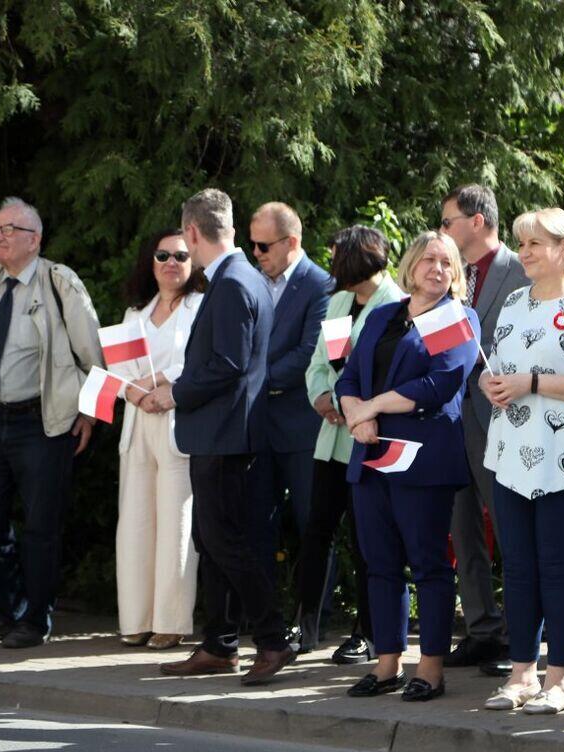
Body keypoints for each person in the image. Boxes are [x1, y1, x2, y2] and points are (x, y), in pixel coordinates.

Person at [478, 209, 564, 715]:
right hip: (511, 455)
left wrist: (533, 383)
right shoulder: (514, 302)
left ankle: (559, 679)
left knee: (557, 567)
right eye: (522, 244)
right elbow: (498, 365)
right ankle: (521, 674)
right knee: (517, 569)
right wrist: (490, 383)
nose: (525, 252)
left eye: (535, 243)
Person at [154, 188, 295, 686]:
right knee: (212, 542)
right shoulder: (243, 276)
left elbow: (229, 364)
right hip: (227, 432)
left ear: (191, 233)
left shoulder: (233, 282)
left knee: (224, 542)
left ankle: (273, 639)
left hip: (226, 434)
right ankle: (220, 644)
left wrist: (175, 392)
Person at [335, 230, 479, 701]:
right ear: (410, 265)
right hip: (371, 455)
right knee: (380, 564)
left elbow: (440, 385)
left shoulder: (457, 318)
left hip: (423, 460)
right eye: (429, 259)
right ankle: (387, 664)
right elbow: (349, 377)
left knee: (429, 565)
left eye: (447, 262)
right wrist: (357, 417)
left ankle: (431, 667)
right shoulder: (383, 315)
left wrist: (371, 407)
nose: (437, 268)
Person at [0, 197, 103, 650]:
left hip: (43, 422)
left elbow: (95, 355)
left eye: (9, 229)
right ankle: (6, 611)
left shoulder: (60, 281)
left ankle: (36, 619)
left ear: (34, 239)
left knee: (41, 527)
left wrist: (90, 413)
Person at [296, 225, 404, 664]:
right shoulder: (339, 302)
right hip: (332, 437)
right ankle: (304, 626)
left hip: (367, 438)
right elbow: (320, 362)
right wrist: (321, 395)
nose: (330, 262)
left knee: (366, 539)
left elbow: (384, 372)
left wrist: (347, 402)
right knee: (317, 530)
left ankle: (369, 633)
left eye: (336, 255)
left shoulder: (395, 304)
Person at [438, 184, 529, 675]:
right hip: (451, 415)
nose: (441, 231)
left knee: (511, 526)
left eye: (447, 221)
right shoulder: (447, 273)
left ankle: (519, 635)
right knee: (463, 526)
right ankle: (481, 629)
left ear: (477, 221)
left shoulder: (521, 269)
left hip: (500, 415)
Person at [111, 229, 204, 650]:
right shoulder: (135, 313)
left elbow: (199, 363)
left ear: (193, 262)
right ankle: (135, 619)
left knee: (176, 525)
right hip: (138, 423)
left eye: (181, 256)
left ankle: (171, 621)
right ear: (150, 261)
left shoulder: (201, 307)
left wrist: (159, 382)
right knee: (134, 523)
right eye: (163, 255)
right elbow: (117, 368)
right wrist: (133, 392)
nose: (171, 263)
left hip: (177, 422)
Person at [246, 202, 332, 628]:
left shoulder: (321, 285)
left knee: (311, 524)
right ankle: (263, 616)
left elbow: (308, 354)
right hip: (257, 425)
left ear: (291, 242)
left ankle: (312, 618)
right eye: (252, 244)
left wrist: (250, 381)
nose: (256, 253)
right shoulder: (251, 282)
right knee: (257, 524)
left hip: (302, 427)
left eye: (263, 246)